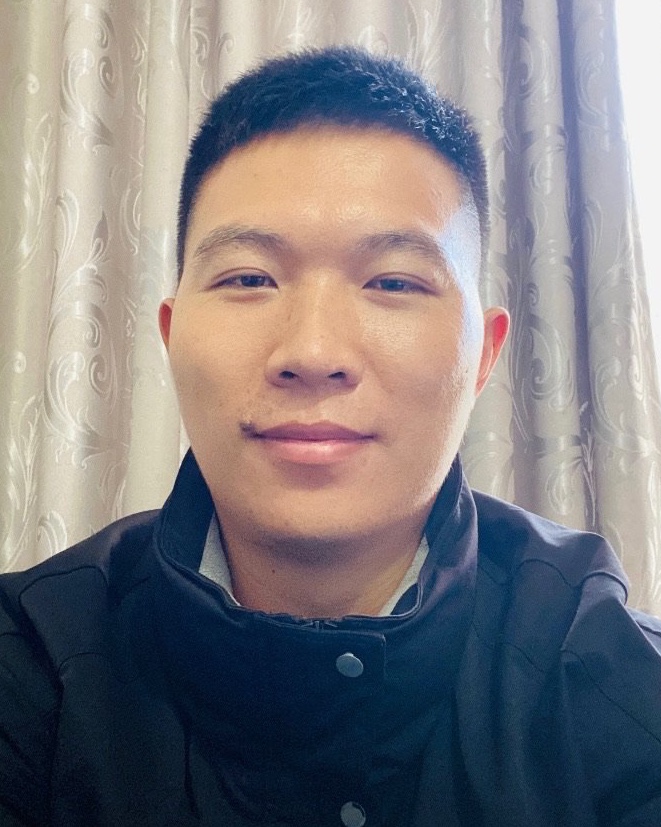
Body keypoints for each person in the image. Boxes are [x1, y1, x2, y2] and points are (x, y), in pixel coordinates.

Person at [0, 45, 659, 827]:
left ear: (483, 354)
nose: (312, 353)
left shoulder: (605, 674)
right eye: (249, 277)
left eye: (393, 281)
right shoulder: (36, 666)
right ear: (171, 338)